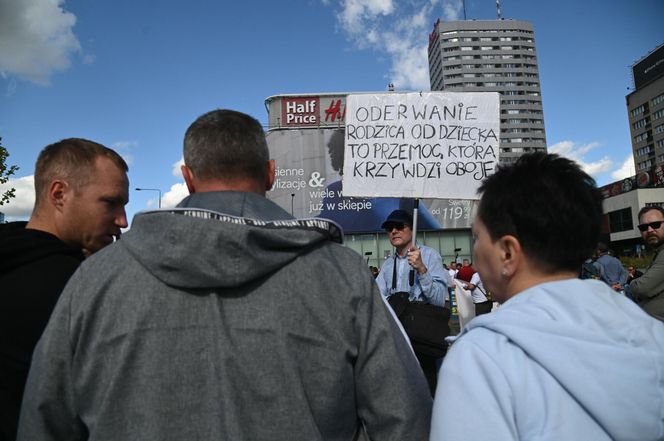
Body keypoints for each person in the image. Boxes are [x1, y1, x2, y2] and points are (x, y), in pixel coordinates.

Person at [17, 110, 432, 441]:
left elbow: (45, 420)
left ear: (189, 177)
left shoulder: (96, 281)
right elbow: (403, 417)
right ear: (269, 174)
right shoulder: (343, 275)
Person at [430, 153, 664, 441]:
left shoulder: (480, 357)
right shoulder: (652, 334)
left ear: (507, 253)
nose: (475, 252)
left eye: (477, 237)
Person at [0, 138, 128, 441]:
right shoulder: (81, 290)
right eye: (110, 202)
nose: (122, 220)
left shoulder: (12, 257)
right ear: (59, 194)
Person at [375, 209, 448, 395]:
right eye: (389, 228)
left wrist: (422, 270)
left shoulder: (430, 256)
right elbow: (377, 300)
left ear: (411, 230)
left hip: (423, 341)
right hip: (397, 341)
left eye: (399, 226)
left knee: (427, 393)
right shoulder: (387, 265)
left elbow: (439, 300)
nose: (394, 231)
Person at [629, 205, 664, 321]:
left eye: (655, 225)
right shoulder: (658, 252)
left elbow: (642, 288)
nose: (649, 230)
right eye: (644, 227)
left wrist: (630, 284)